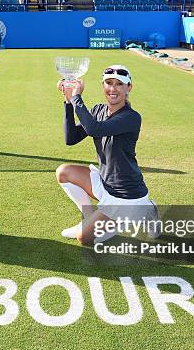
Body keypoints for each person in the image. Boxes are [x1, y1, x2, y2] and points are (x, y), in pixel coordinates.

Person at [55, 65, 158, 245]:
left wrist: (77, 97)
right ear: (103, 86)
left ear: (129, 88)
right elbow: (70, 139)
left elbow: (95, 129)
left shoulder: (131, 117)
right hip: (105, 184)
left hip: (127, 197)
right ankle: (87, 219)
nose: (113, 88)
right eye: (108, 83)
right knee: (64, 172)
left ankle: (145, 211)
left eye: (119, 84)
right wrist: (67, 101)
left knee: (84, 238)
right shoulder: (98, 111)